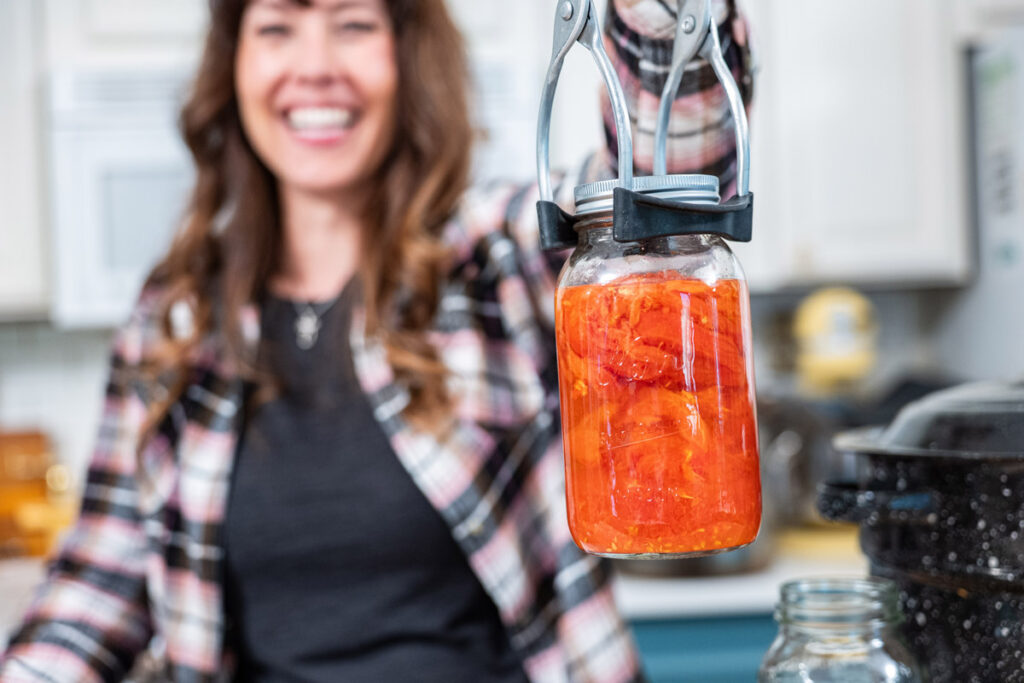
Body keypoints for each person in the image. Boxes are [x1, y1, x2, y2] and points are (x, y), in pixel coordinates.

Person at [0, 0, 753, 680]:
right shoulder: (175, 318)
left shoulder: (496, 256)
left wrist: (656, 16)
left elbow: (675, 168)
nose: (316, 65)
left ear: (408, 59)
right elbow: (95, 584)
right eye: (276, 28)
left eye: (354, 24)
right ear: (233, 66)